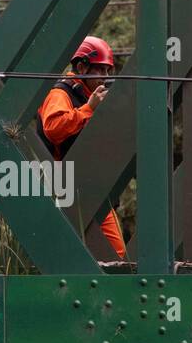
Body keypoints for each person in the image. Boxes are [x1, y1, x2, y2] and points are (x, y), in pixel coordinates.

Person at [36, 36, 127, 260]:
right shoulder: (61, 93)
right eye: (100, 71)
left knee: (117, 256)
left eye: (108, 72)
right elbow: (53, 128)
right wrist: (89, 109)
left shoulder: (90, 96)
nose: (105, 78)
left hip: (91, 190)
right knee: (72, 258)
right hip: (67, 192)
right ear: (81, 67)